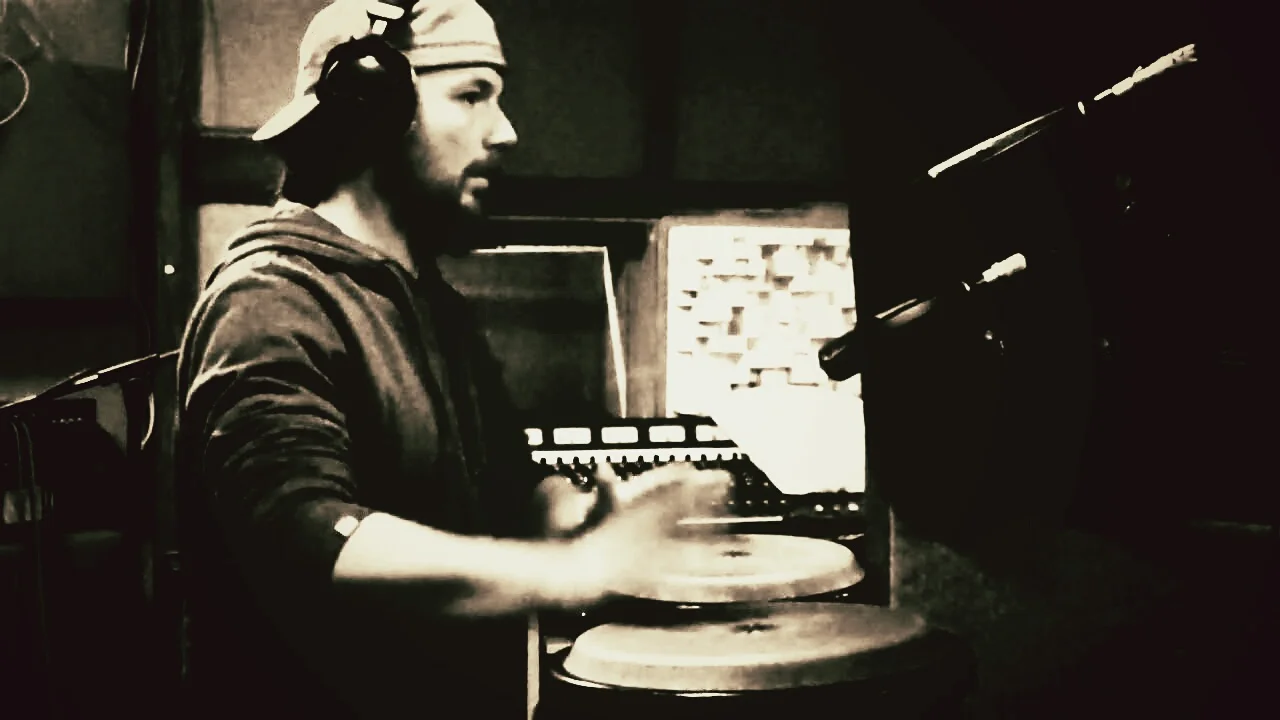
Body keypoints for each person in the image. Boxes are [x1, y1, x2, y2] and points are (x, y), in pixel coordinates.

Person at [173, 1, 730, 718]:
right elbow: (308, 534)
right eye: (471, 95)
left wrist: (585, 513)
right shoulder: (269, 301)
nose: (506, 130)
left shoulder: (437, 308)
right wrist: (567, 571)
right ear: (374, 112)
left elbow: (510, 484)